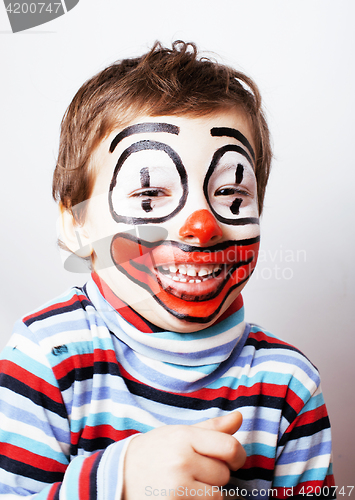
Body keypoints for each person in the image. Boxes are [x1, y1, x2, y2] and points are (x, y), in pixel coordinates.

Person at [0, 41, 335, 499]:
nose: (202, 226)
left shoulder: (290, 384)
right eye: (149, 196)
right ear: (76, 226)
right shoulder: (47, 357)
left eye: (232, 196)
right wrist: (115, 481)